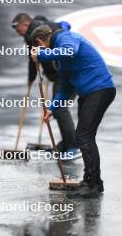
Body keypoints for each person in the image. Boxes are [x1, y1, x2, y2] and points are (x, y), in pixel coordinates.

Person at [30, 25, 116, 198]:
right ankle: (93, 182)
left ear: (40, 41)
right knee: (84, 136)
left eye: (38, 47)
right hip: (89, 93)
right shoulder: (61, 59)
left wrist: (41, 54)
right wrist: (52, 109)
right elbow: (65, 88)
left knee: (83, 136)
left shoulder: (65, 38)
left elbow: (69, 51)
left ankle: (92, 184)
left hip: (100, 89)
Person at [12, 13, 79, 156]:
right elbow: (33, 58)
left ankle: (72, 145)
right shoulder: (32, 33)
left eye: (18, 30)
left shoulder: (38, 31)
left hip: (66, 74)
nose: (18, 34)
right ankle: (67, 143)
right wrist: (34, 77)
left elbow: (62, 30)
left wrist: (35, 76)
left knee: (59, 109)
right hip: (58, 74)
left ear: (25, 24)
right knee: (57, 109)